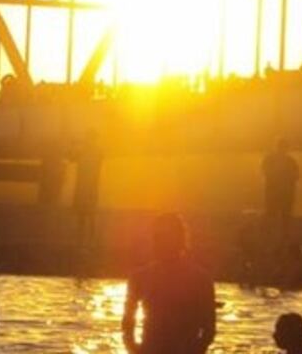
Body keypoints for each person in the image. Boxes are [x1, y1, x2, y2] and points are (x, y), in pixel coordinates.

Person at [122, 213, 215, 354]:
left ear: (180, 240)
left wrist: (196, 350)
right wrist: (134, 349)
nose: (159, 242)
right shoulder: (139, 277)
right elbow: (128, 323)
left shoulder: (200, 279)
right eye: (157, 237)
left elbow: (209, 328)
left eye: (164, 237)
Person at [262, 139, 300, 240]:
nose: (282, 149)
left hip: (280, 193)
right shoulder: (289, 161)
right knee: (274, 215)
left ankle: (278, 236)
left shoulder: (272, 159)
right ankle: (272, 236)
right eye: (281, 147)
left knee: (281, 216)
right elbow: (296, 176)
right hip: (279, 192)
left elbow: (296, 176)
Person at [74, 130, 104, 247]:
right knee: (87, 214)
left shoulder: (87, 152)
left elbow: (72, 156)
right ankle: (85, 241)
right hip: (88, 185)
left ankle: (85, 241)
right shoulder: (95, 152)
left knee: (88, 215)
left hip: (87, 185)